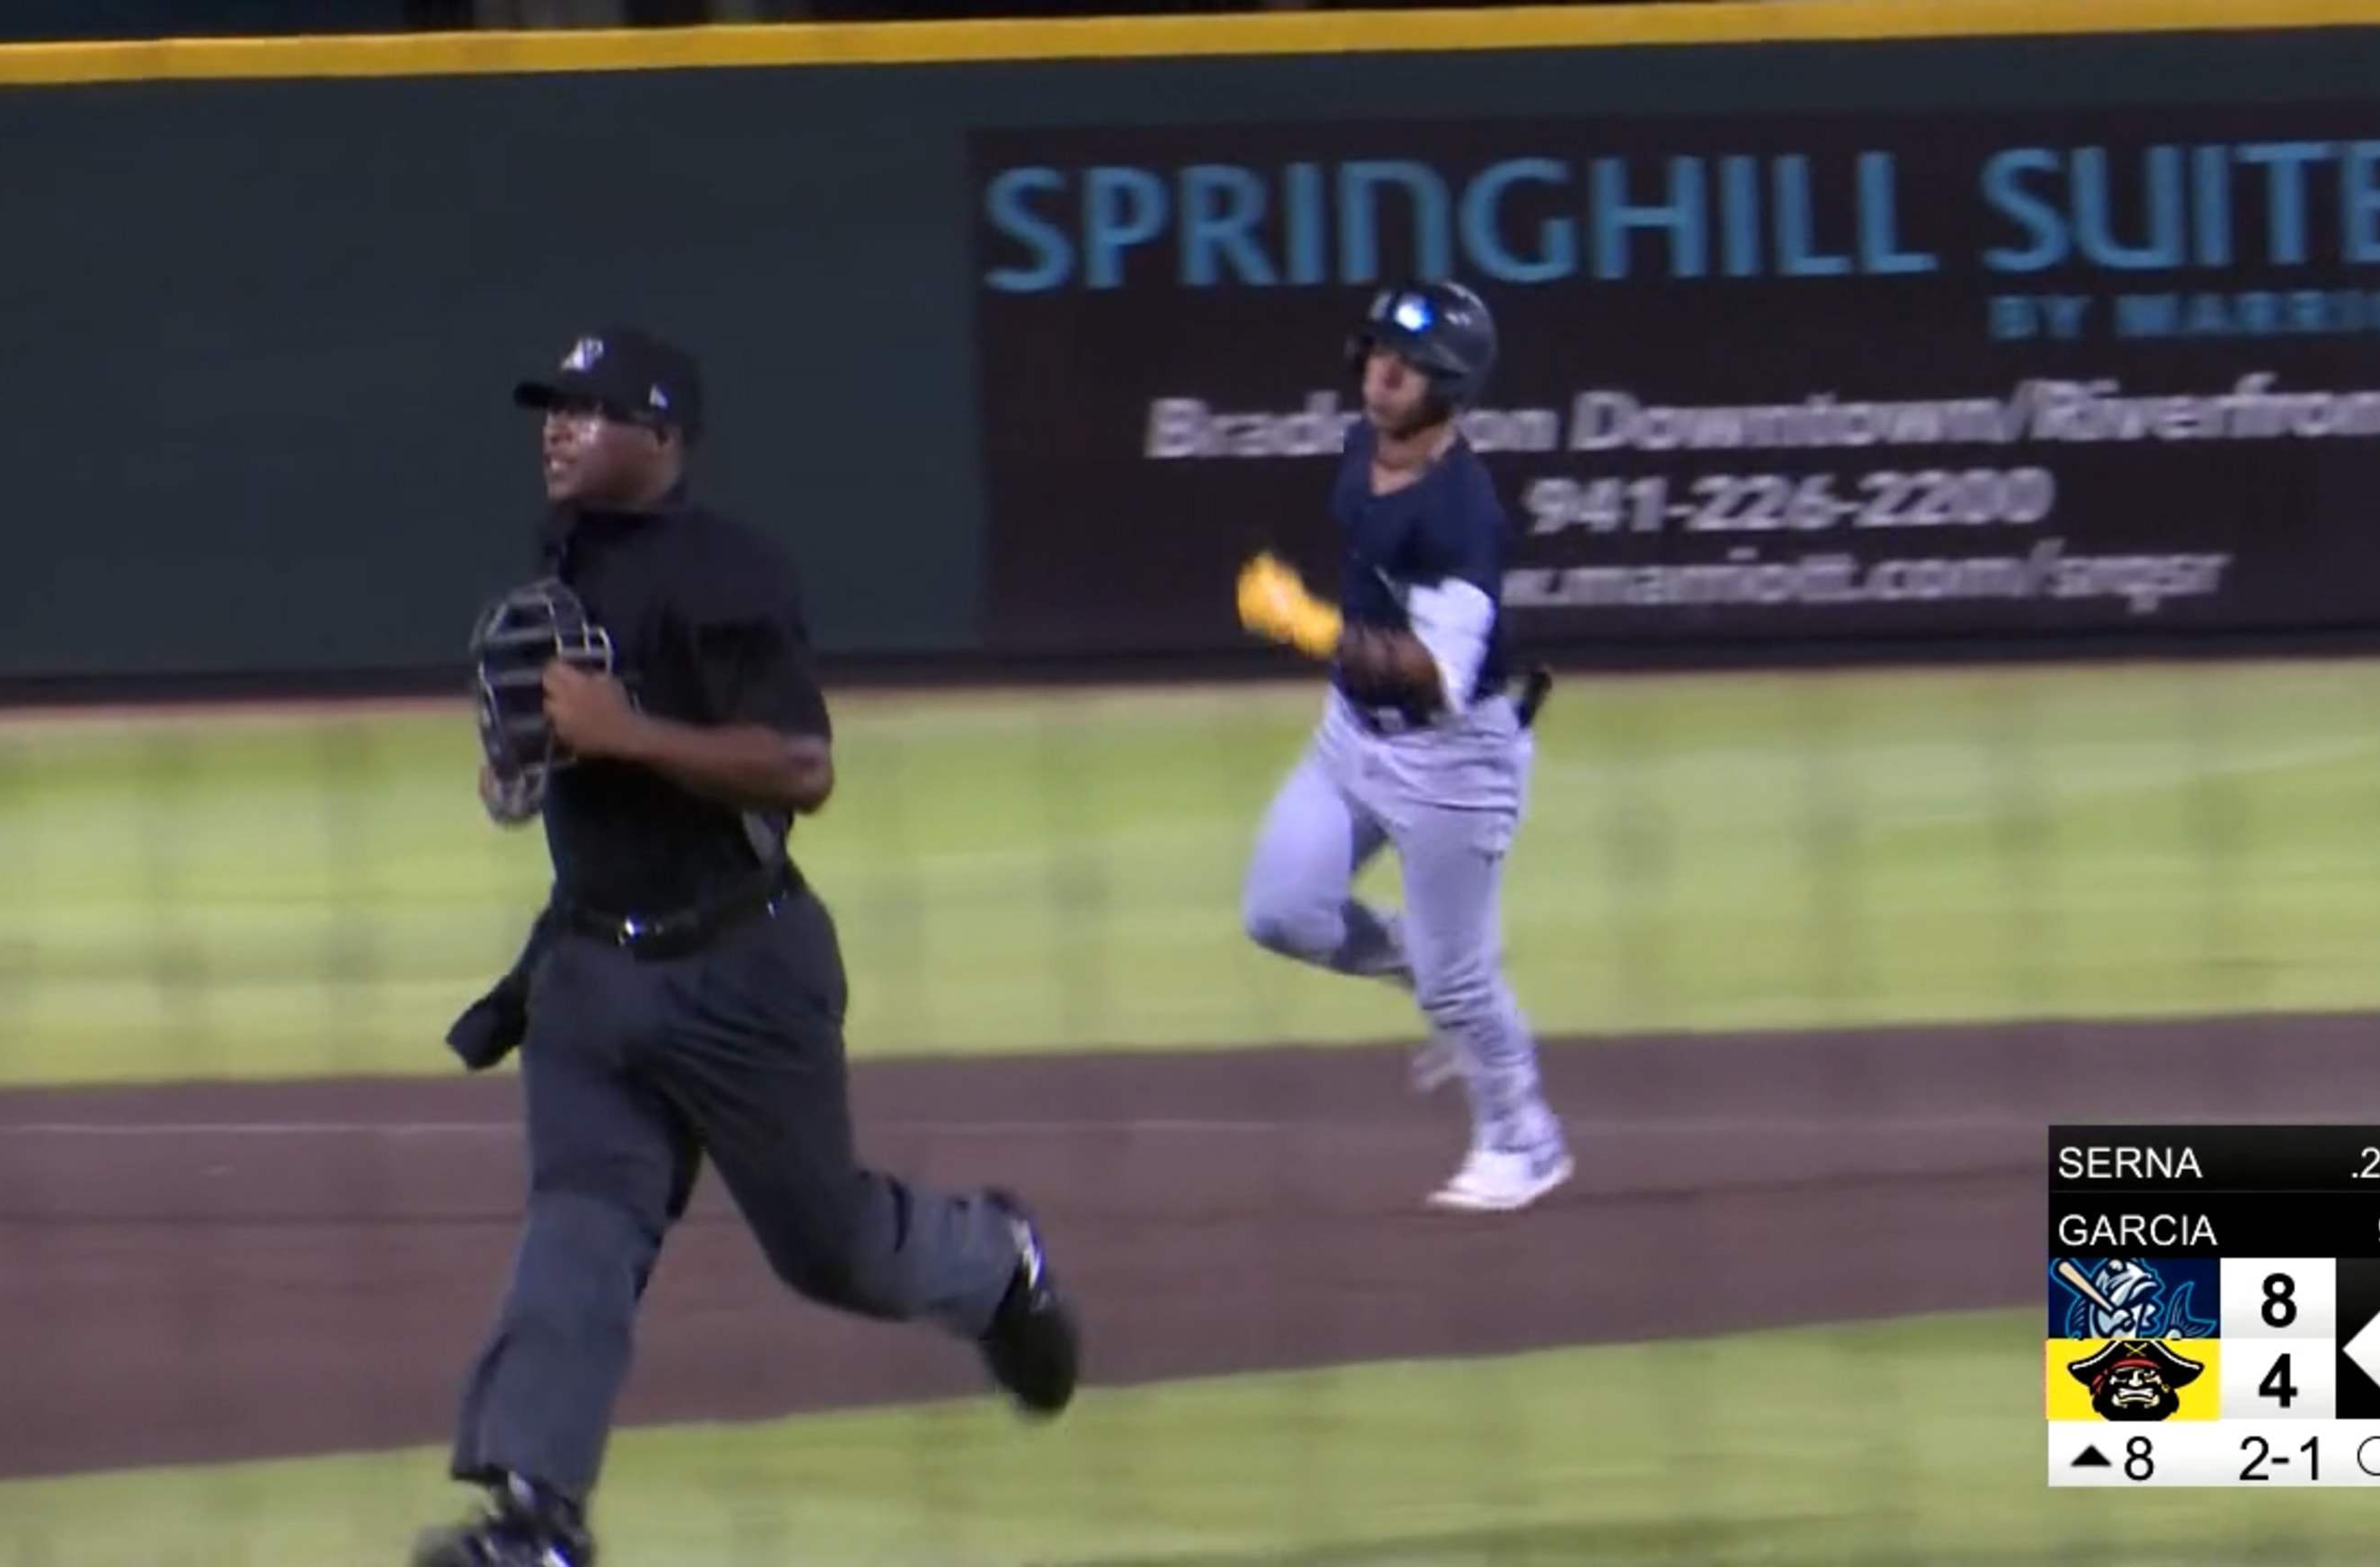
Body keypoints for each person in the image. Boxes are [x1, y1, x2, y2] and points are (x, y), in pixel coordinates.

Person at [418, 326, 1079, 1567]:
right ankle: (535, 1521)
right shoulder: (562, 559)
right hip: (591, 979)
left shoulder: (732, 569)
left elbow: (801, 767)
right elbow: (561, 759)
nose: (558, 427)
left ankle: (995, 1264)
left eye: (592, 409)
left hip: (741, 974)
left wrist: (624, 731)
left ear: (663, 437)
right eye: (551, 408)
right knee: (582, 1225)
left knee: (828, 1248)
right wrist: (528, 763)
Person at [1231, 280, 1571, 1213]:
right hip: (1349, 739)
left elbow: (1433, 671)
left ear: (1450, 387)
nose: (1386, 370)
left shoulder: (1466, 517)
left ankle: (1525, 1138)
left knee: (1464, 985)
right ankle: (1444, 981)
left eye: (1411, 363)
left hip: (1452, 764)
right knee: (1281, 912)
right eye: (1381, 349)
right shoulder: (1360, 453)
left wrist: (1308, 625)